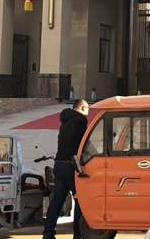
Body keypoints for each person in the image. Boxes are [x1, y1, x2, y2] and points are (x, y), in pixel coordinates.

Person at [43, 99, 90, 239]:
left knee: (56, 202)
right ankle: (78, 234)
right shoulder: (81, 121)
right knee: (80, 200)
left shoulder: (65, 120)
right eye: (88, 109)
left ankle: (48, 233)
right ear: (82, 107)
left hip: (59, 164)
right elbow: (84, 144)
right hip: (71, 166)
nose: (88, 112)